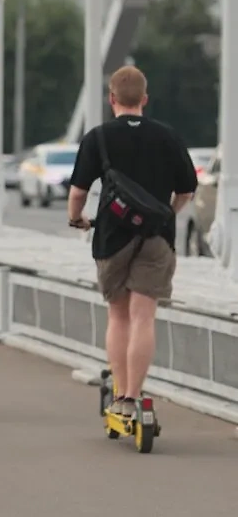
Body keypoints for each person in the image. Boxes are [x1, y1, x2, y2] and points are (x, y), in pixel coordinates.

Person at [67, 65, 197, 416]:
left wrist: (77, 219)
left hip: (112, 236)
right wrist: (168, 211)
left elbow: (78, 192)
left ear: (112, 99)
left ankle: (119, 400)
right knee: (144, 317)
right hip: (157, 236)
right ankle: (132, 396)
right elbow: (186, 189)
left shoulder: (99, 137)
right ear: (144, 99)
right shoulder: (167, 136)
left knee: (118, 316)